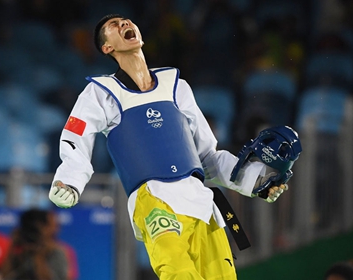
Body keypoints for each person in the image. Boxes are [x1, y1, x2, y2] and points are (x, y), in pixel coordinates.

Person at [48, 14, 301, 279]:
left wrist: (258, 180)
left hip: (200, 201)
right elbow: (76, 134)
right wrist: (70, 180)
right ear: (107, 47)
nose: (124, 25)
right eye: (114, 26)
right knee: (177, 273)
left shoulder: (177, 87)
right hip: (154, 199)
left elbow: (207, 156)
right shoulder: (101, 92)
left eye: (127, 21)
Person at [0, 209, 69, 280]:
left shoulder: (55, 252)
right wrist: (13, 245)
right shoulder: (19, 250)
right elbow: (5, 276)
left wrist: (39, 255)